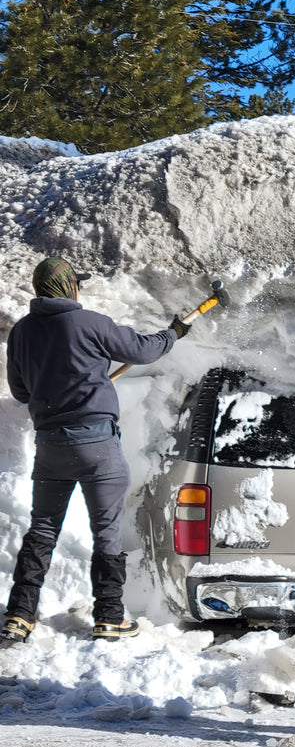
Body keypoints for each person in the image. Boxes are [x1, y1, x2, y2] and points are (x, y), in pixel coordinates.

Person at [1, 257, 191, 648]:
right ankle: (108, 618)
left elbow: (21, 393)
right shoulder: (90, 323)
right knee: (105, 533)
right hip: (98, 447)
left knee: (42, 529)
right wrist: (173, 333)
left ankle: (19, 615)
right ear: (69, 286)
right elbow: (142, 350)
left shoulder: (21, 333)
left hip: (51, 447)